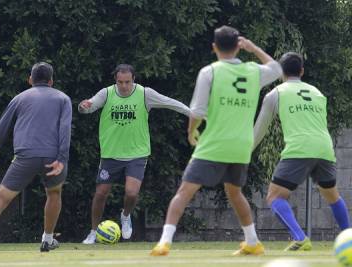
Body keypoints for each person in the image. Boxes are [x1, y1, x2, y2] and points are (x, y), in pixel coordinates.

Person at [151, 25, 282, 256]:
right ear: (238, 47)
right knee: (234, 193)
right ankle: (252, 241)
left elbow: (197, 111)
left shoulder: (210, 72)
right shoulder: (253, 71)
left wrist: (191, 132)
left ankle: (164, 241)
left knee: (184, 191)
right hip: (241, 146)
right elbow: (277, 68)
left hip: (214, 143)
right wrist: (253, 48)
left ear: (214, 47)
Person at [79, 64, 190, 244]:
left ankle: (125, 215)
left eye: (127, 82)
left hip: (137, 153)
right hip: (111, 154)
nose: (124, 86)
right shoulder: (106, 93)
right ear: (115, 80)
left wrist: (191, 113)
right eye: (120, 82)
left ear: (134, 80)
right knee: (101, 193)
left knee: (131, 193)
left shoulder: (144, 94)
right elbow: (89, 107)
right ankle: (93, 231)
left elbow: (170, 102)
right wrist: (84, 106)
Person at [0, 62, 72, 253]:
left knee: (0, 199)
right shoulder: (63, 98)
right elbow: (65, 130)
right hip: (53, 158)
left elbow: (0, 133)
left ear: (30, 79)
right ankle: (47, 239)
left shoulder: (19, 98)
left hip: (25, 157)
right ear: (51, 80)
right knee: (54, 194)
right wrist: (62, 159)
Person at [252, 52, 350, 251]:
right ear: (302, 71)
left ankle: (300, 237)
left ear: (281, 72)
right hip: (324, 147)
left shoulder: (275, 94)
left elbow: (260, 129)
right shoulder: (317, 93)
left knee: (274, 197)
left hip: (299, 148)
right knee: (333, 196)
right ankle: (349, 236)